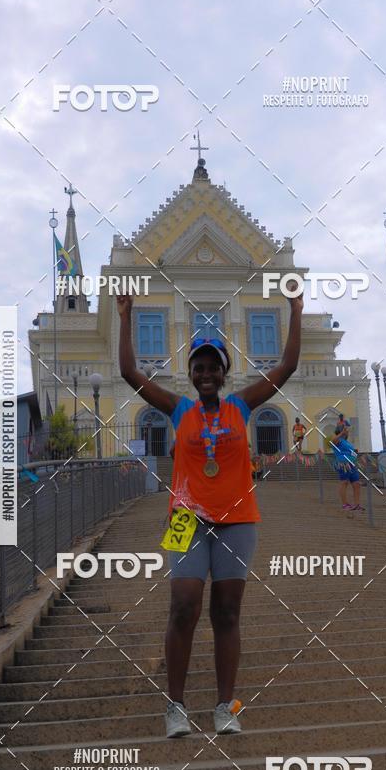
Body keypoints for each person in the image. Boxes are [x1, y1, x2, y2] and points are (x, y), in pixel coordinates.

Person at [117, 291, 302, 738]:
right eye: (198, 368)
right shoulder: (179, 409)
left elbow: (286, 368)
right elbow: (129, 373)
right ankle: (175, 707)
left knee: (226, 613)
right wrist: (126, 317)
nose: (205, 373)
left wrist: (295, 311)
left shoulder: (241, 405)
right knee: (182, 605)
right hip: (185, 517)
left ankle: (224, 706)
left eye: (212, 367)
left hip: (238, 521)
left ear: (223, 373)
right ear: (191, 375)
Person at [330, 421, 363, 511]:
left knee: (356, 484)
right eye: (346, 430)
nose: (347, 432)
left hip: (352, 463)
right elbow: (333, 442)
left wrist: (355, 455)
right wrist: (342, 433)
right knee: (344, 482)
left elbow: (351, 452)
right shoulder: (338, 440)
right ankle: (345, 504)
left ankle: (357, 504)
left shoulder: (346, 442)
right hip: (343, 463)